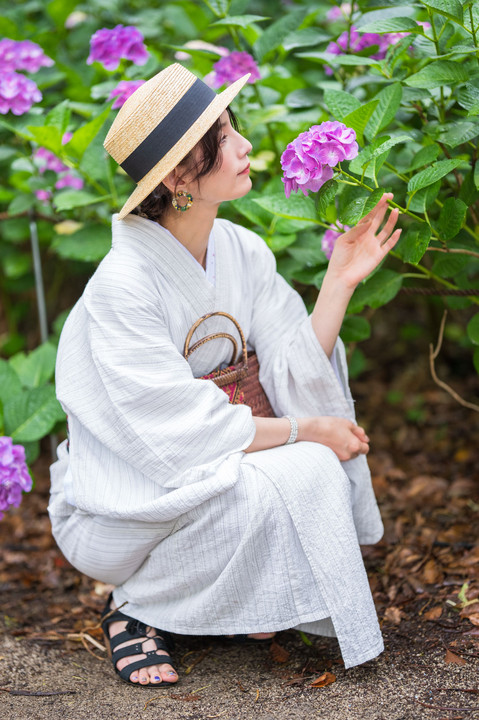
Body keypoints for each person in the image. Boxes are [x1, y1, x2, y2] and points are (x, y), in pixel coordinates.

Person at [48, 63, 401, 689]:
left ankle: (234, 607)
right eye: (225, 136)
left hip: (228, 456)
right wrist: (306, 429)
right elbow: (180, 433)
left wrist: (340, 281)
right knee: (289, 474)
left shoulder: (241, 248)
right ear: (182, 173)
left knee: (313, 468)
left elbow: (294, 362)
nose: (244, 147)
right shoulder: (122, 287)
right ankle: (136, 611)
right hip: (134, 497)